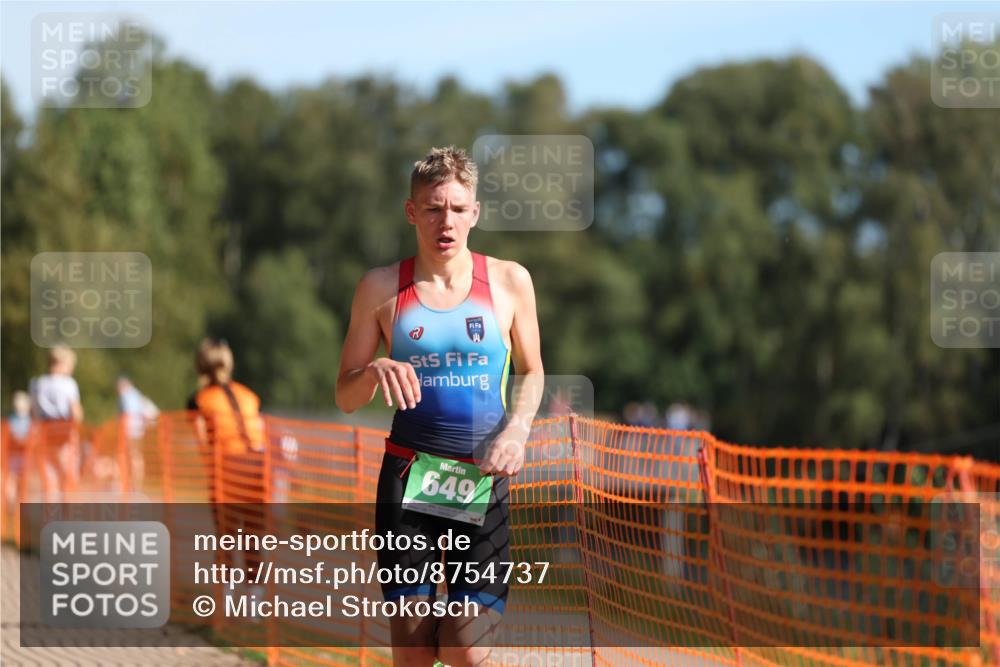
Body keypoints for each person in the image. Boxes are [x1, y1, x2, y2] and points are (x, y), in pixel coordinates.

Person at [336, 146, 544, 667]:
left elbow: (533, 370)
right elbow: (344, 394)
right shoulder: (381, 288)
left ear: (475, 211)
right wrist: (373, 371)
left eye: (456, 208)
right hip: (409, 480)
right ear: (412, 212)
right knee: (412, 650)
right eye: (432, 208)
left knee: (465, 648)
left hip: (482, 479)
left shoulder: (509, 282)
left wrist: (517, 430)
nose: (444, 221)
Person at [191, 338, 266, 582]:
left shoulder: (200, 399)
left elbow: (203, 442)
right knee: (254, 534)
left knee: (226, 535)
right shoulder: (249, 395)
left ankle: (226, 600)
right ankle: (253, 604)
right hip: (257, 465)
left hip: (226, 467)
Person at [29, 346, 84, 501]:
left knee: (49, 475)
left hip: (44, 432)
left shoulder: (37, 383)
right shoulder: (68, 384)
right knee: (68, 474)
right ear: (63, 363)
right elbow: (76, 412)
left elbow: (33, 412)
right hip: (64, 431)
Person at [116, 375, 158, 489]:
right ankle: (135, 484)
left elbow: (127, 414)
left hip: (131, 431)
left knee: (132, 457)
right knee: (135, 456)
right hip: (137, 430)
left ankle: (133, 484)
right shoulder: (136, 395)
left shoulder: (127, 396)